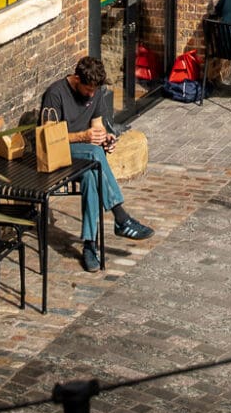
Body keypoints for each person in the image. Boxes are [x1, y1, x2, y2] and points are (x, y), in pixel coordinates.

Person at [39, 56, 153, 270]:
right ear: (76, 79)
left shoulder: (96, 92)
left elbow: (97, 127)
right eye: (88, 90)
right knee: (93, 152)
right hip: (59, 152)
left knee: (92, 176)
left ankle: (89, 245)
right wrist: (84, 137)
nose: (91, 94)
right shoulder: (55, 94)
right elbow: (47, 137)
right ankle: (121, 217)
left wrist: (106, 139)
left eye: (94, 90)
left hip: (85, 156)